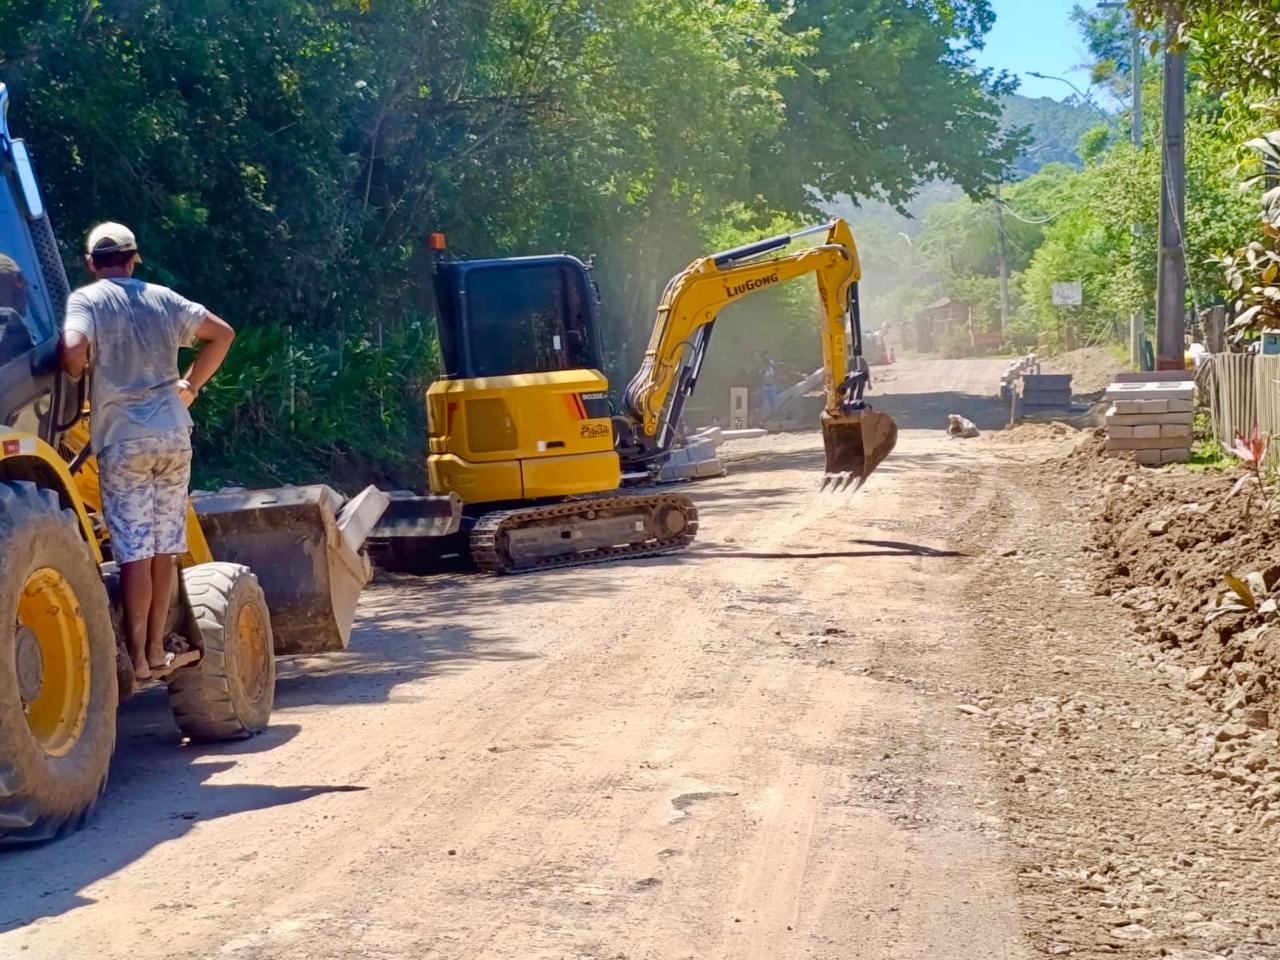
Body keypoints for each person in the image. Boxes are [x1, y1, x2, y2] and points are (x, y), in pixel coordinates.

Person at [60, 222, 235, 682]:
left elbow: (73, 350)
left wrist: (82, 372)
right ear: (134, 258)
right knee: (165, 549)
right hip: (174, 435)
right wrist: (190, 386)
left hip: (123, 439)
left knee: (135, 553)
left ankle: (137, 658)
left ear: (91, 263)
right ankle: (158, 650)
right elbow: (222, 334)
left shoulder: (88, 300)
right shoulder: (163, 299)